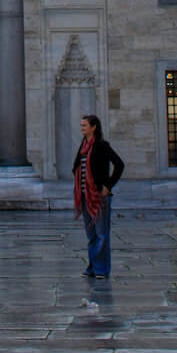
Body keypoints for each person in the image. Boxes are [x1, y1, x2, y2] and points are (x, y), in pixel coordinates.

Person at [72, 113, 124, 279]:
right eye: (81, 126)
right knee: (92, 235)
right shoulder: (83, 146)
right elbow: (76, 167)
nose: (82, 128)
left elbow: (119, 164)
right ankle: (93, 267)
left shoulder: (101, 145)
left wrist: (107, 186)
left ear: (93, 127)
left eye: (84, 126)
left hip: (98, 196)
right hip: (86, 196)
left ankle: (101, 269)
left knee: (101, 234)